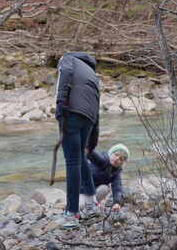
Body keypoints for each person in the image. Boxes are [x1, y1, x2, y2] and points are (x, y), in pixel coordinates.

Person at [54, 52, 100, 229]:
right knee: (80, 157)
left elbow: (64, 72)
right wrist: (92, 143)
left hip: (71, 112)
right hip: (88, 118)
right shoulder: (93, 75)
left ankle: (72, 213)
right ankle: (91, 205)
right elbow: (97, 113)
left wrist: (60, 102)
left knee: (72, 161)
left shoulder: (68, 58)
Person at [82, 143, 130, 214]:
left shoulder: (116, 172)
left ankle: (91, 206)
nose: (117, 159)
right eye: (116, 155)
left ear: (122, 163)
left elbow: (117, 188)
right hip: (81, 190)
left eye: (120, 159)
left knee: (105, 188)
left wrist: (117, 203)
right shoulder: (103, 160)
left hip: (93, 194)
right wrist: (85, 146)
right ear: (111, 153)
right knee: (80, 206)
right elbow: (92, 154)